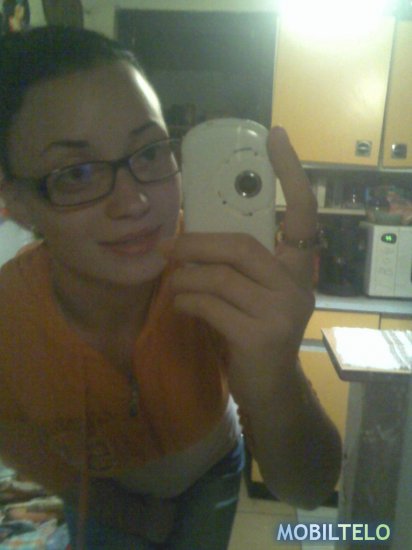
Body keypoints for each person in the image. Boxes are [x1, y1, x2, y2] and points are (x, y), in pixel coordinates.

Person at [0, 26, 342, 549]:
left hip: (214, 472)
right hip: (99, 491)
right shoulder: (8, 317)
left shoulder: (217, 269)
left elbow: (309, 489)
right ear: (17, 203)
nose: (134, 202)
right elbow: (17, 438)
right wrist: (123, 513)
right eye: (76, 173)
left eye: (149, 152)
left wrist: (276, 375)